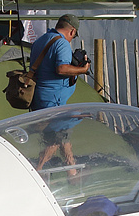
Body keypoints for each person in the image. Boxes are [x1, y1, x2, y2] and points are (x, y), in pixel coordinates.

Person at [27, 14, 92, 173]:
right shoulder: (62, 43)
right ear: (72, 31)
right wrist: (82, 69)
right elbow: (61, 68)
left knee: (62, 134)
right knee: (56, 138)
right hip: (52, 99)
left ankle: (72, 172)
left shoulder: (42, 40)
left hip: (40, 96)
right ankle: (38, 171)